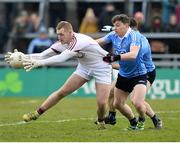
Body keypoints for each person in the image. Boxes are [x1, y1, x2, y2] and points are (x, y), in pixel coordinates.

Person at [5, 21, 112, 130]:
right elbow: (42, 55)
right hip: (84, 67)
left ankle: (100, 120)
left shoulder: (78, 41)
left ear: (70, 32)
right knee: (62, 92)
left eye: (61, 34)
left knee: (102, 103)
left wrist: (38, 63)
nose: (59, 37)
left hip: (102, 67)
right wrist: (22, 57)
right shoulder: (61, 43)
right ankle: (37, 113)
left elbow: (61, 58)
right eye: (58, 34)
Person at [100, 18, 162, 129]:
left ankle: (155, 119)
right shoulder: (122, 36)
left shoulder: (139, 40)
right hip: (128, 72)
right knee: (111, 92)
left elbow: (132, 61)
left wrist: (110, 63)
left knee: (136, 100)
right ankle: (112, 116)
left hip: (146, 72)